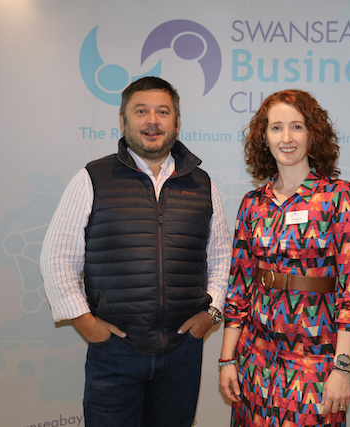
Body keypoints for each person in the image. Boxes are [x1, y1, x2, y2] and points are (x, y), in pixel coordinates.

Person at [40, 76, 231, 427]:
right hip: (115, 351)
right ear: (123, 120)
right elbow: (57, 259)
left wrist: (212, 311)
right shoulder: (92, 178)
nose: (152, 121)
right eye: (141, 111)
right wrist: (88, 325)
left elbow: (221, 256)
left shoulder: (203, 185)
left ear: (177, 122)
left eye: (163, 112)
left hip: (182, 352)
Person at [218, 90, 350, 426]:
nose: (286, 138)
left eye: (297, 127)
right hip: (254, 359)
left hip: (315, 360)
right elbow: (239, 288)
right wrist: (227, 359)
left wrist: (342, 369)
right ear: (264, 137)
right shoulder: (252, 203)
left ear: (313, 135)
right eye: (276, 128)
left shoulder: (339, 197)